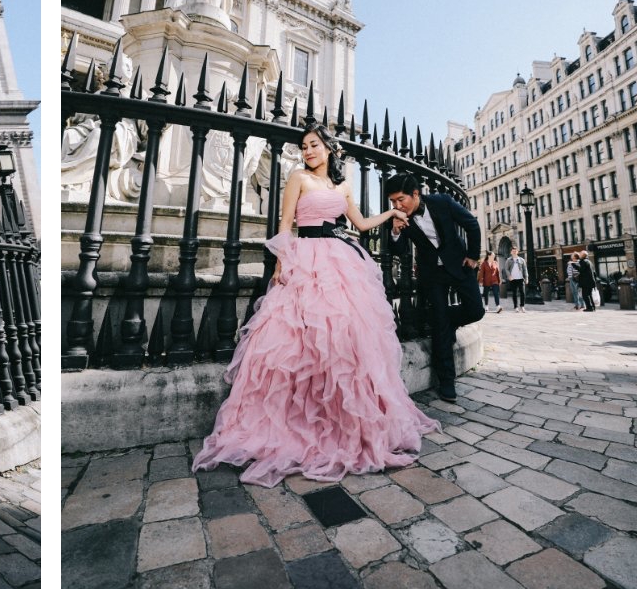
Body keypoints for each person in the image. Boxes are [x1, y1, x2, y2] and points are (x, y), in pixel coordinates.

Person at [193, 123, 438, 487]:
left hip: (339, 259)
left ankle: (341, 419)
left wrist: (391, 215)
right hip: (306, 257)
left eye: (313, 145)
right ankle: (299, 421)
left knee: (344, 341)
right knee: (298, 343)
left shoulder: (342, 186)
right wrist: (281, 262)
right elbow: (286, 222)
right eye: (304, 146)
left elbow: (361, 224)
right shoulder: (297, 177)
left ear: (328, 148)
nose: (307, 151)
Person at [387, 173, 484, 403]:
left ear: (416, 194)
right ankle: (447, 382)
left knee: (475, 311)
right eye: (393, 202)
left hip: (459, 264)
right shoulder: (401, 218)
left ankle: (445, 320)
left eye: (401, 200)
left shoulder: (442, 202)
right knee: (440, 325)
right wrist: (396, 231)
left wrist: (472, 255)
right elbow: (399, 251)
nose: (397, 206)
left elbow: (472, 224)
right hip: (432, 274)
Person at [504, 246, 528, 312]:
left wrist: (526, 278)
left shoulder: (522, 260)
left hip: (521, 279)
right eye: (513, 251)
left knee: (522, 293)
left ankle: (522, 306)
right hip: (513, 279)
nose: (514, 252)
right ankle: (516, 307)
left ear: (517, 252)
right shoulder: (508, 260)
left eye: (515, 251)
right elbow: (506, 269)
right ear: (511, 252)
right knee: (514, 293)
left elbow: (525, 269)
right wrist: (509, 276)